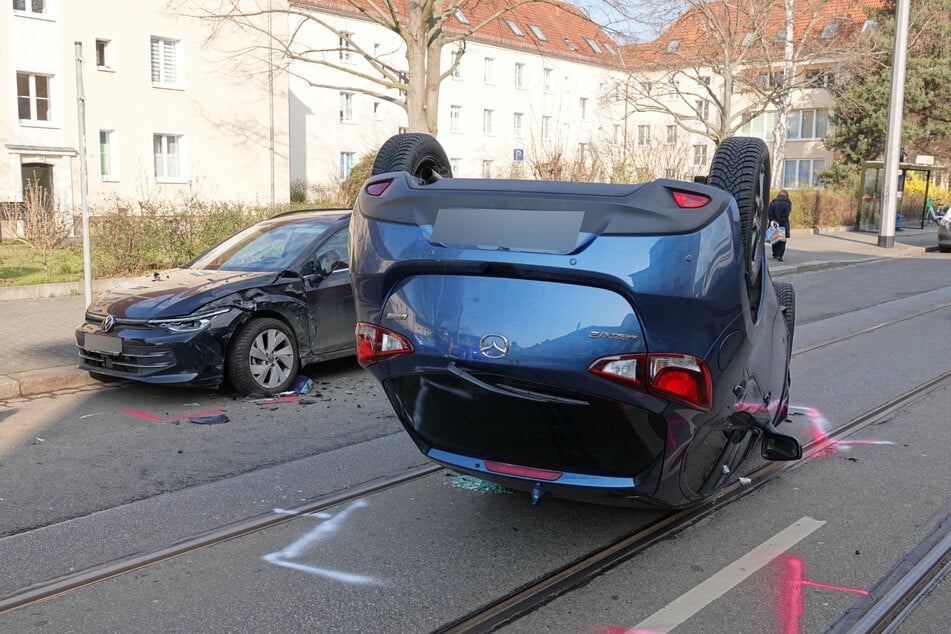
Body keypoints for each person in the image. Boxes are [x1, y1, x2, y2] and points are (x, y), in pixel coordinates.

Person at [767, 189, 792, 261]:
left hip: (774, 223)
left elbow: (769, 211)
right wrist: (782, 220)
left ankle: (775, 253)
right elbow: (787, 214)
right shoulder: (788, 203)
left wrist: (772, 219)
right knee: (782, 240)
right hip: (783, 223)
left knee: (774, 238)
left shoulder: (773, 202)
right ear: (787, 195)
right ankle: (780, 255)